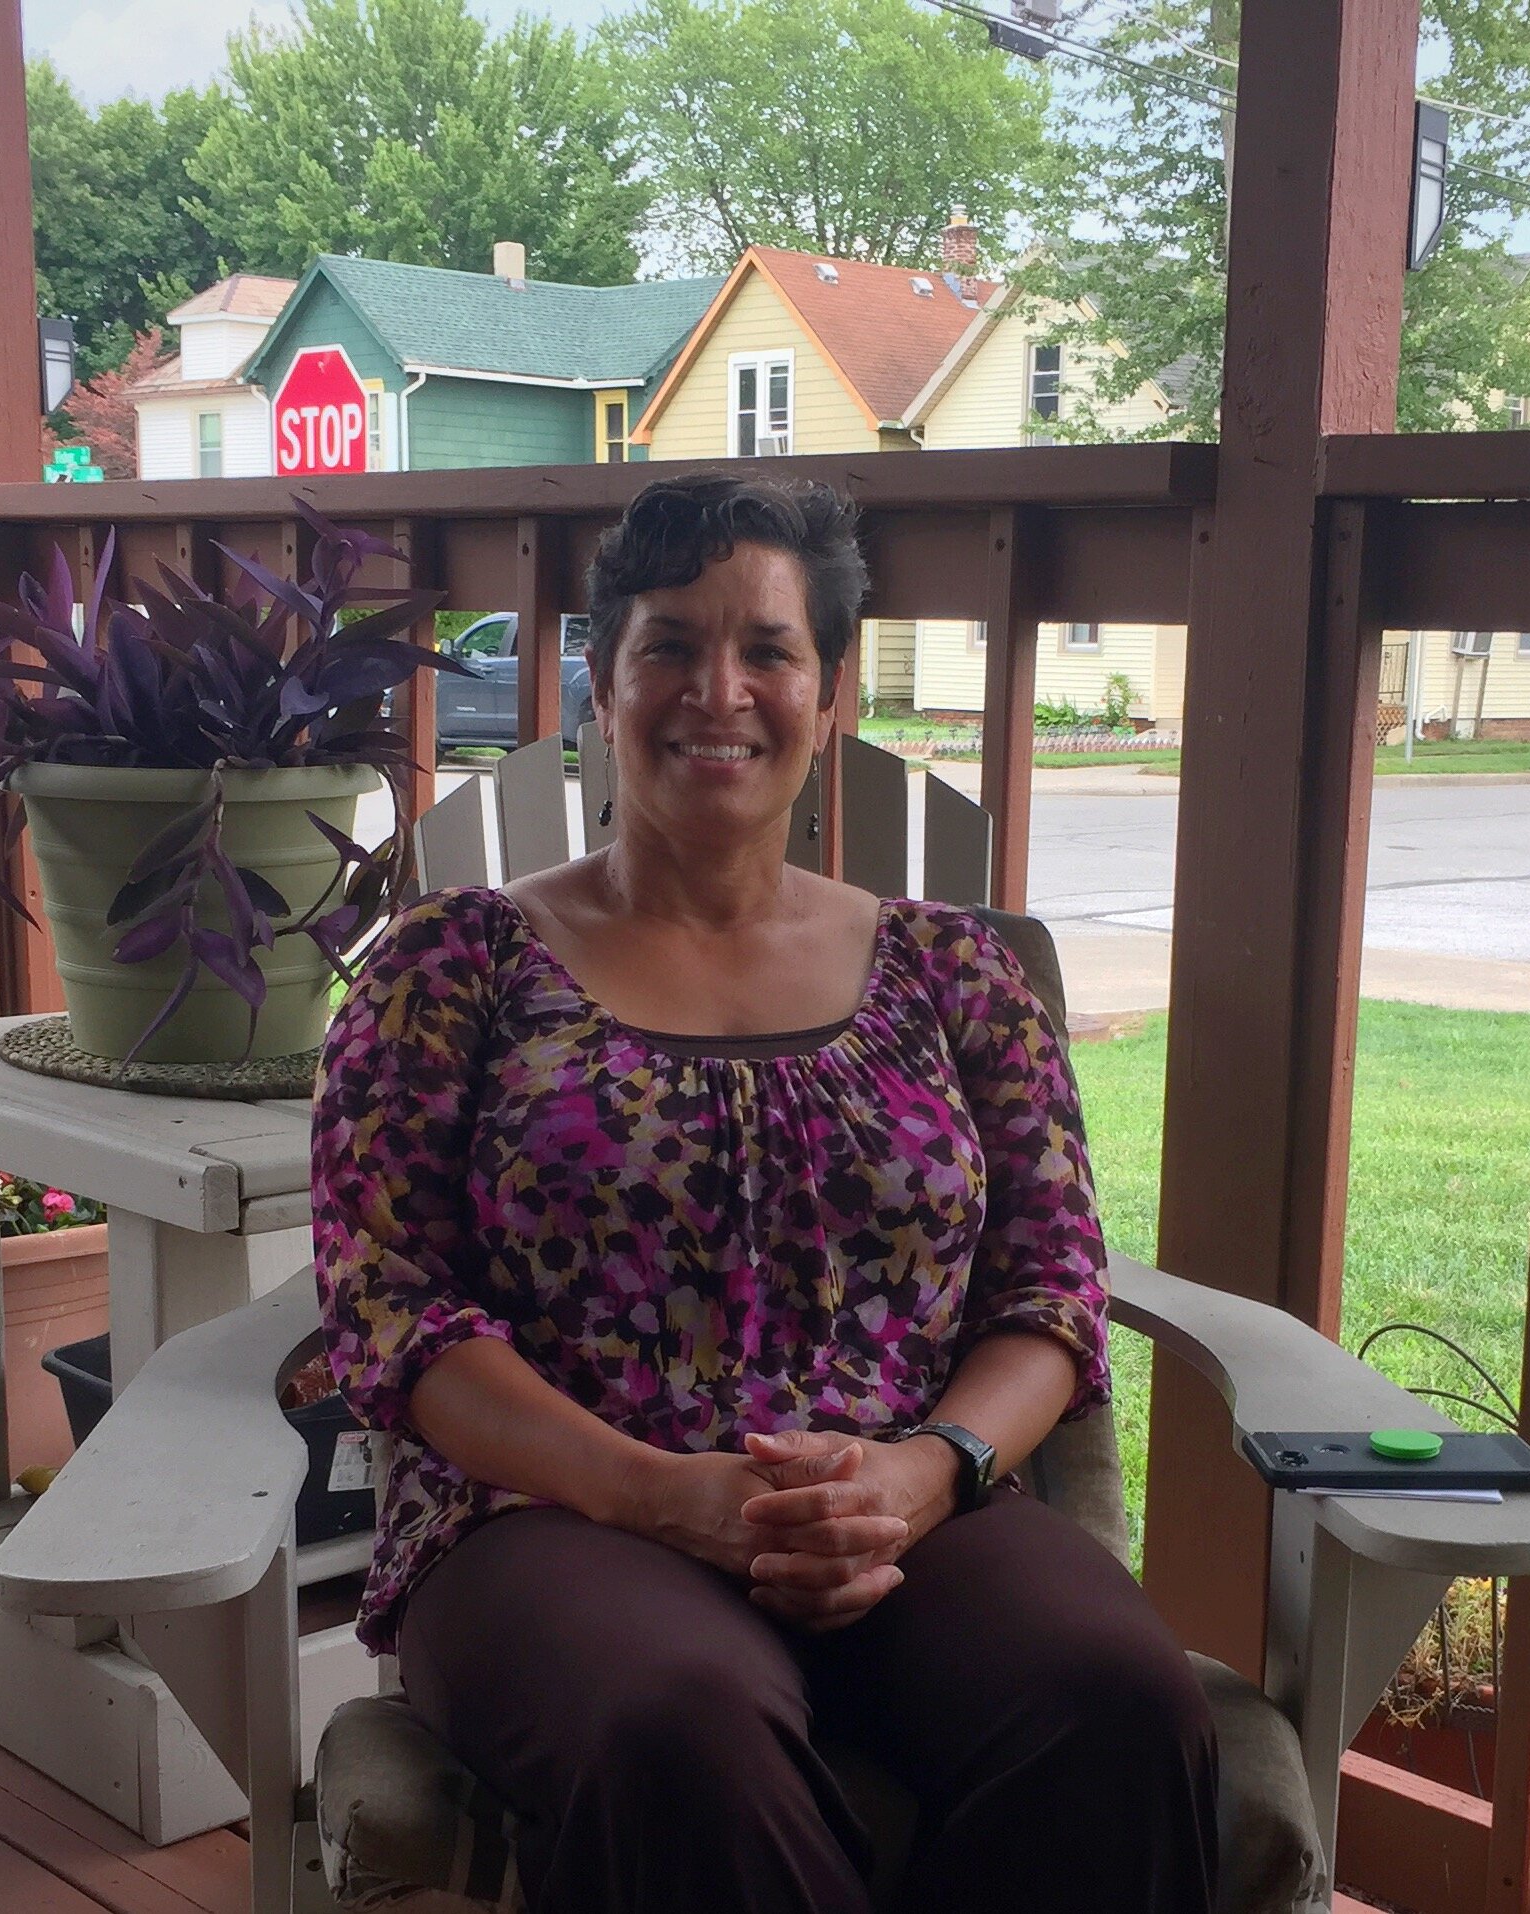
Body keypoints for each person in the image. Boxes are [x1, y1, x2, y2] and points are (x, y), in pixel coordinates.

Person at [313, 473, 1216, 1914]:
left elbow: (1052, 1291)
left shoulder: (956, 973)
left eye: (767, 650)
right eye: (667, 643)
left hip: (912, 1506)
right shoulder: (449, 969)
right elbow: (392, 1315)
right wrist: (668, 1496)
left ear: (833, 691)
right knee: (681, 1724)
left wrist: (927, 1472)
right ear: (601, 688)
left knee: (1116, 1700)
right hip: (553, 1516)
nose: (714, 690)